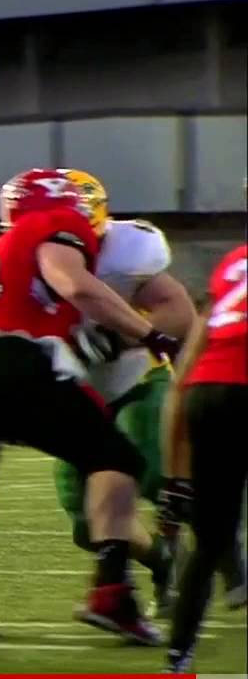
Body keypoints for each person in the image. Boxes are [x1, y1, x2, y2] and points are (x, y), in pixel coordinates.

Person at [0, 168, 180, 646]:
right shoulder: (57, 224)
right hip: (9, 358)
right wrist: (150, 335)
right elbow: (76, 286)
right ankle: (112, 592)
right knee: (116, 459)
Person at [47, 169, 203, 618]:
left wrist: (121, 339)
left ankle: (230, 548)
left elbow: (180, 312)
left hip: (136, 378)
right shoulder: (18, 258)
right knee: (85, 519)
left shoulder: (125, 249)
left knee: (157, 471)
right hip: (77, 393)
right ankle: (161, 561)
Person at [162, 243, 247, 672]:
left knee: (208, 542)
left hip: (207, 392)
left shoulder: (234, 262)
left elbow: (185, 370)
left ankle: (178, 656)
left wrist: (175, 475)